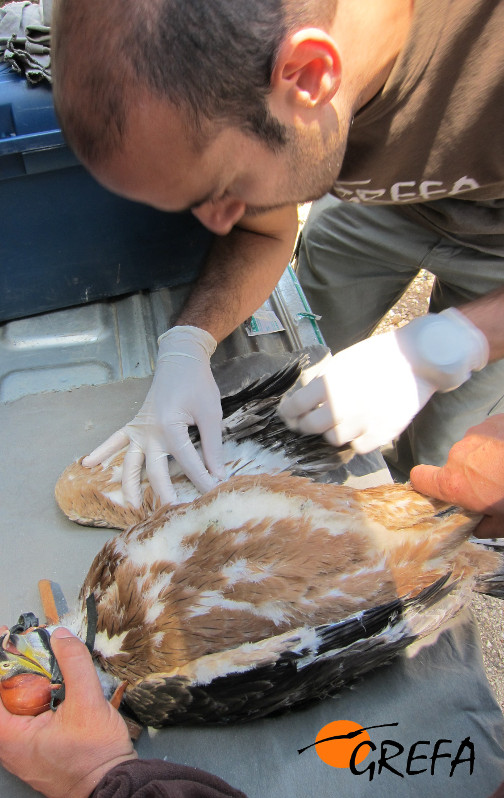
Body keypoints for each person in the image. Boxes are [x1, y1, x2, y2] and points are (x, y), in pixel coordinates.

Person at [49, 0, 504, 507]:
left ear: (310, 74)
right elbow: (262, 233)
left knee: (454, 452)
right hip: (369, 198)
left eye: (223, 188)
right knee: (302, 370)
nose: (222, 225)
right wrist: (189, 341)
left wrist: (450, 345)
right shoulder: (257, 63)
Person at [0, 416, 504, 798]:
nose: (20, 651)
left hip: (398, 518)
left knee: (79, 488)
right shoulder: (151, 688)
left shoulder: (102, 582)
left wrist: (98, 780)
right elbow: (334, 647)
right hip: (407, 553)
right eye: (24, 677)